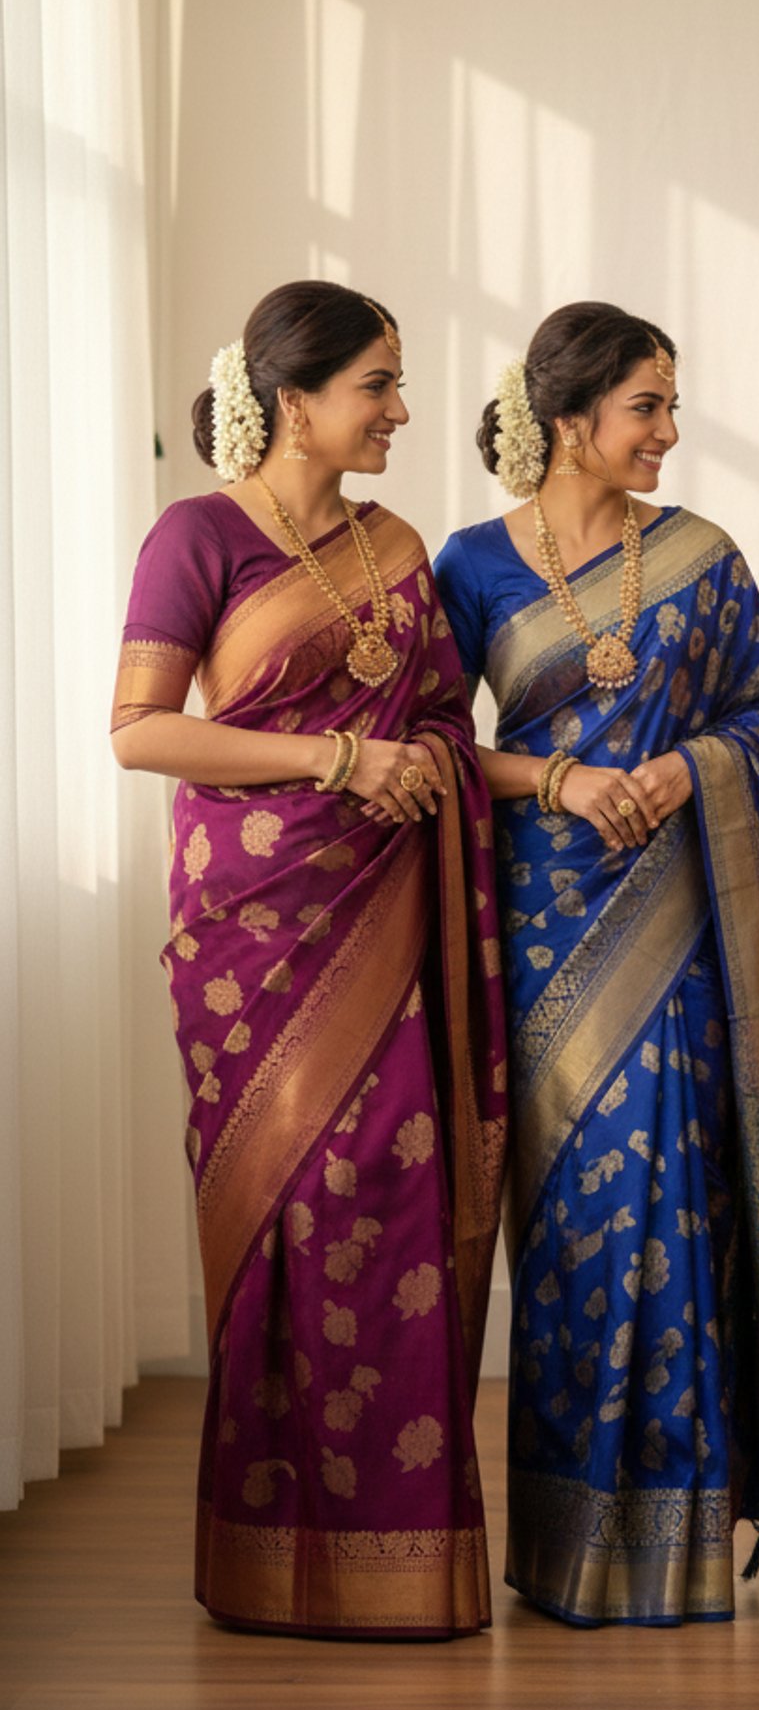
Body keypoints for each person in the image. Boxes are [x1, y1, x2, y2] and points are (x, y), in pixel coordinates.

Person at [110, 281, 507, 1638]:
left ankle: (392, 1558)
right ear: (295, 402)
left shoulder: (397, 543)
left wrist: (449, 768)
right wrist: (337, 757)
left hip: (390, 906)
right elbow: (142, 731)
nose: (402, 410)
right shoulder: (198, 536)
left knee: (391, 1204)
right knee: (282, 1215)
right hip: (253, 928)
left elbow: (447, 725)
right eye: (378, 386)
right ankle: (269, 1554)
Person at [434, 302, 759, 1625]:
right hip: (543, 921)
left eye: (670, 401)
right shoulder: (473, 563)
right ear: (569, 422)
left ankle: (678, 1541)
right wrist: (567, 778)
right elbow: (436, 747)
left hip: (682, 914)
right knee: (575, 1225)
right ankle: (566, 1536)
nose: (670, 429)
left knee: (674, 1193)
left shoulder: (704, 556)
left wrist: (678, 766)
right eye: (646, 405)